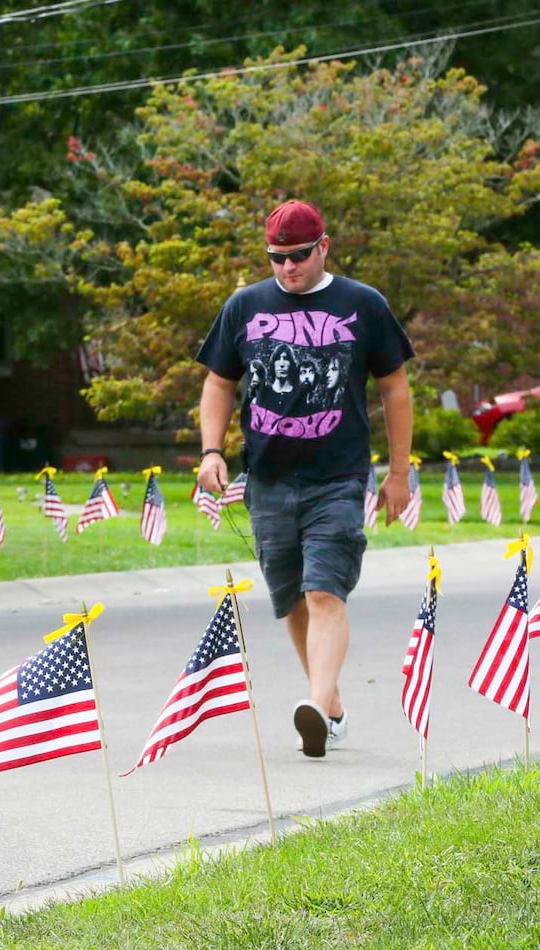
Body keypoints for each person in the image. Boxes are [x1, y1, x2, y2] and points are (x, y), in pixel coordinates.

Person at [195, 199, 414, 758]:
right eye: (276, 258)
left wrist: (397, 473)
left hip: (337, 477)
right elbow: (220, 382)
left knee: (324, 591)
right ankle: (330, 705)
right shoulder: (245, 305)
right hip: (268, 480)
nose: (288, 268)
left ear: (324, 247)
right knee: (290, 598)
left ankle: (314, 705)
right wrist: (212, 451)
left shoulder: (363, 304)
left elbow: (394, 388)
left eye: (298, 256)